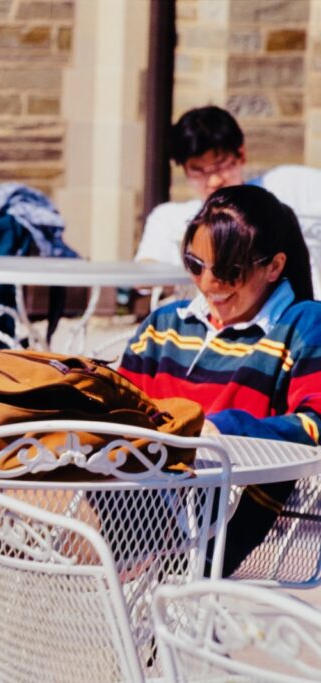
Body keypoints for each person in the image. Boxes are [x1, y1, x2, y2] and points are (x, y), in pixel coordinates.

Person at [120, 184, 321, 574]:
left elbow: (316, 424)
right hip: (133, 496)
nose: (210, 283)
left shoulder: (302, 326)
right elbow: (119, 405)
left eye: (230, 271)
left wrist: (220, 430)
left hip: (211, 523)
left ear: (274, 267)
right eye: (196, 265)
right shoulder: (165, 325)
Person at [135, 105, 321, 265]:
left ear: (241, 154)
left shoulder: (292, 186)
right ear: (184, 170)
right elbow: (146, 273)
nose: (214, 181)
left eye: (220, 165)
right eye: (198, 171)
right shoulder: (170, 219)